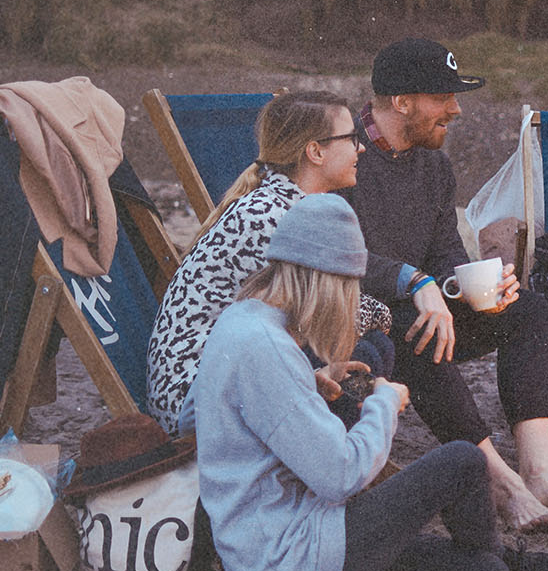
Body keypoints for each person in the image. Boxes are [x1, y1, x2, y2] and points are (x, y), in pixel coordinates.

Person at [182, 194, 548, 571]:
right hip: (296, 562)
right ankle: (498, 565)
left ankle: (498, 565)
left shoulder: (241, 321)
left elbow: (208, 413)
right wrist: (384, 404)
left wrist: (309, 381)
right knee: (463, 462)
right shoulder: (268, 348)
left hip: (266, 558)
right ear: (324, 279)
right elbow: (340, 476)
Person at [342, 37, 548, 533]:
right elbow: (334, 252)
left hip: (424, 303)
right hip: (358, 318)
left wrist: (473, 286)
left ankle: (541, 470)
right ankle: (501, 484)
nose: (456, 111)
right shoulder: (342, 153)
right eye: (444, 98)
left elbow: (444, 249)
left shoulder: (433, 165)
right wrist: (418, 284)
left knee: (525, 308)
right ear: (402, 102)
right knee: (418, 334)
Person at [147, 90, 394, 436]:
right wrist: (388, 308)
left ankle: (326, 452)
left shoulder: (277, 203)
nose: (361, 147)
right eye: (351, 138)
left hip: (223, 375)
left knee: (370, 349)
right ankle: (322, 459)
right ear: (315, 151)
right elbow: (330, 316)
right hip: (197, 403)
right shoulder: (271, 218)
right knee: (368, 349)